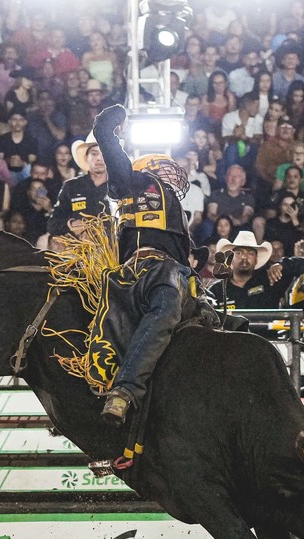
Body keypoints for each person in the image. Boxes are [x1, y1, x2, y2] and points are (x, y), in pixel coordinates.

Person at [91, 104, 197, 427]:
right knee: (165, 306)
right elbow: (115, 161)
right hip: (144, 272)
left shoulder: (177, 212)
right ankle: (124, 390)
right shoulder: (133, 183)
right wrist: (108, 128)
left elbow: (186, 258)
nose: (170, 176)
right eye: (163, 169)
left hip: (172, 272)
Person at [207, 230, 304, 310]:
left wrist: (282, 265)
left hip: (266, 332)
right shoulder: (217, 290)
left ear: (256, 259)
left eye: (250, 253)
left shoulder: (271, 279)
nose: (244, 257)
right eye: (239, 253)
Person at [48, 133, 109, 242]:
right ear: (86, 158)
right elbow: (52, 224)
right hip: (80, 250)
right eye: (94, 154)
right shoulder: (72, 187)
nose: (99, 158)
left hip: (115, 249)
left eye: (104, 153)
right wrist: (71, 224)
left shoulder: (120, 187)